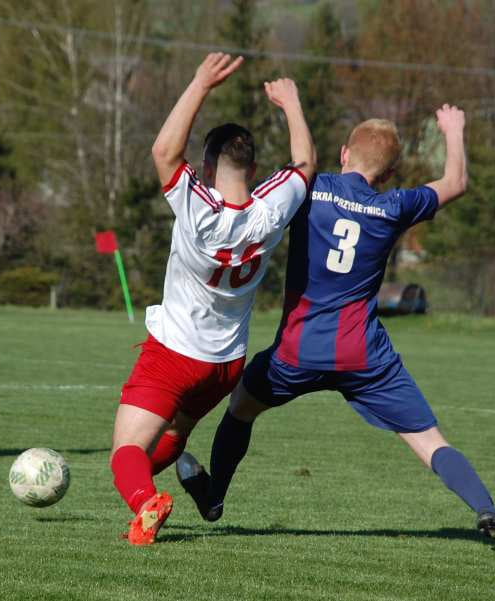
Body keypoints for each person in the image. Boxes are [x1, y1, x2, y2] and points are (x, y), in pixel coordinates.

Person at [177, 106, 495, 552]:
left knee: (241, 407)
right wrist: (454, 130)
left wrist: (290, 108)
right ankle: (486, 510)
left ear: (343, 154)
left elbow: (265, 192)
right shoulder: (393, 205)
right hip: (364, 355)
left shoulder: (310, 188)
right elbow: (456, 183)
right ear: (390, 171)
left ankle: (215, 496)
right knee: (427, 440)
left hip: (298, 352)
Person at [110, 53, 316, 546]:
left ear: (206, 165)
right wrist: (291, 104)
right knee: (172, 438)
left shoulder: (199, 208)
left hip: (174, 355)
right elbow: (305, 164)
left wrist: (200, 81)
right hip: (224, 365)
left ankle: (146, 502)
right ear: (252, 166)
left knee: (125, 451)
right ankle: (152, 501)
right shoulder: (272, 210)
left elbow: (163, 151)